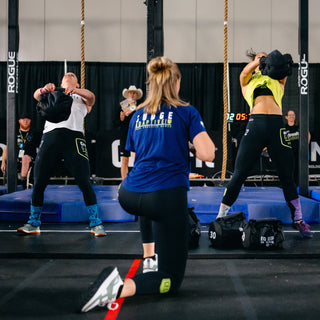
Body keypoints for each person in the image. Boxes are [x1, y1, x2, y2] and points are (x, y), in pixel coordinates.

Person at [80, 56, 215, 313]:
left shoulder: (137, 114)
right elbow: (208, 154)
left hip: (129, 194)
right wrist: (190, 143)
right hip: (165, 196)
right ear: (175, 82)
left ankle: (149, 256)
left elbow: (135, 156)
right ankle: (117, 287)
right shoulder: (186, 111)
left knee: (150, 205)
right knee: (170, 280)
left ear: (151, 83)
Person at [216, 49, 312, 238]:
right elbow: (244, 73)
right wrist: (259, 61)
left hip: (277, 126)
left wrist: (276, 63)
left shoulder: (277, 80)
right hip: (256, 125)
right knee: (239, 173)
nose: (265, 58)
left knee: (287, 175)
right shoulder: (248, 81)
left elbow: (282, 72)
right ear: (255, 62)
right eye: (261, 57)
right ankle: (220, 217)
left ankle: (299, 220)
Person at [17, 72, 106, 237]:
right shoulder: (52, 94)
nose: (69, 73)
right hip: (51, 136)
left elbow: (91, 97)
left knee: (84, 181)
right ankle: (34, 222)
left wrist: (75, 90)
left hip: (74, 137)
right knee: (39, 181)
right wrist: (45, 89)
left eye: (73, 76)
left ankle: (96, 222)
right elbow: (36, 95)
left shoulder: (82, 99)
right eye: (67, 74)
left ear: (78, 84)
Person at [1, 114, 40, 189]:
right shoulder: (14, 133)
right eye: (23, 119)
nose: (25, 121)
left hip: (30, 158)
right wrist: (3, 162)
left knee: (25, 158)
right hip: (17, 158)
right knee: (12, 158)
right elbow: (6, 147)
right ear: (19, 121)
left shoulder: (35, 133)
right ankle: (10, 183)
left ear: (30, 121)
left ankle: (23, 182)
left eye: (27, 119)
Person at [119, 85, 143, 179]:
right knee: (125, 159)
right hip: (125, 135)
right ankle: (124, 182)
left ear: (137, 95)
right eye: (130, 92)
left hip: (138, 134)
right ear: (127, 94)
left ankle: (138, 180)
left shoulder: (141, 106)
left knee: (138, 159)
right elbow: (116, 123)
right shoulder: (123, 106)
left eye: (134, 93)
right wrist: (122, 118)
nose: (132, 94)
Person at [285, 109, 311, 185]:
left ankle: (297, 184)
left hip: (298, 151)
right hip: (288, 152)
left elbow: (308, 134)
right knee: (288, 168)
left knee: (297, 167)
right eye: (290, 115)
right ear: (286, 117)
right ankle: (288, 184)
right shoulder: (284, 127)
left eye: (293, 115)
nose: (291, 116)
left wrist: (305, 146)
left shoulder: (298, 127)